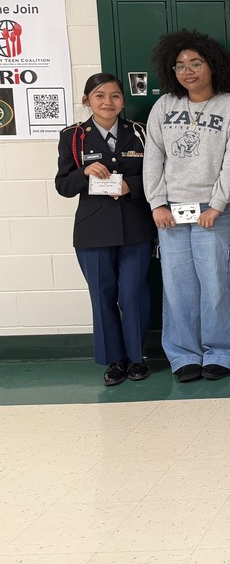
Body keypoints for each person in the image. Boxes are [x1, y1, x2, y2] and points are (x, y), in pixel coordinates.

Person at [143, 29, 230, 382]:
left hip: (218, 207)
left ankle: (222, 352)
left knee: (219, 283)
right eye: (179, 66)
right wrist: (157, 202)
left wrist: (217, 205)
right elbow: (153, 156)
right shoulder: (164, 106)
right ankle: (184, 354)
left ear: (212, 65)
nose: (187, 71)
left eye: (195, 63)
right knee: (177, 285)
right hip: (172, 208)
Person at [55, 73, 156, 385]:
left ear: (123, 100)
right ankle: (114, 361)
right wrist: (84, 172)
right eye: (99, 96)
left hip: (135, 228)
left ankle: (136, 358)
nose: (108, 102)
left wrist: (131, 186)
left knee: (134, 294)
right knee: (102, 296)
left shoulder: (139, 133)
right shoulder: (73, 136)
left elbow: (156, 175)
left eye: (114, 96)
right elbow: (63, 185)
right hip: (93, 231)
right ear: (87, 101)